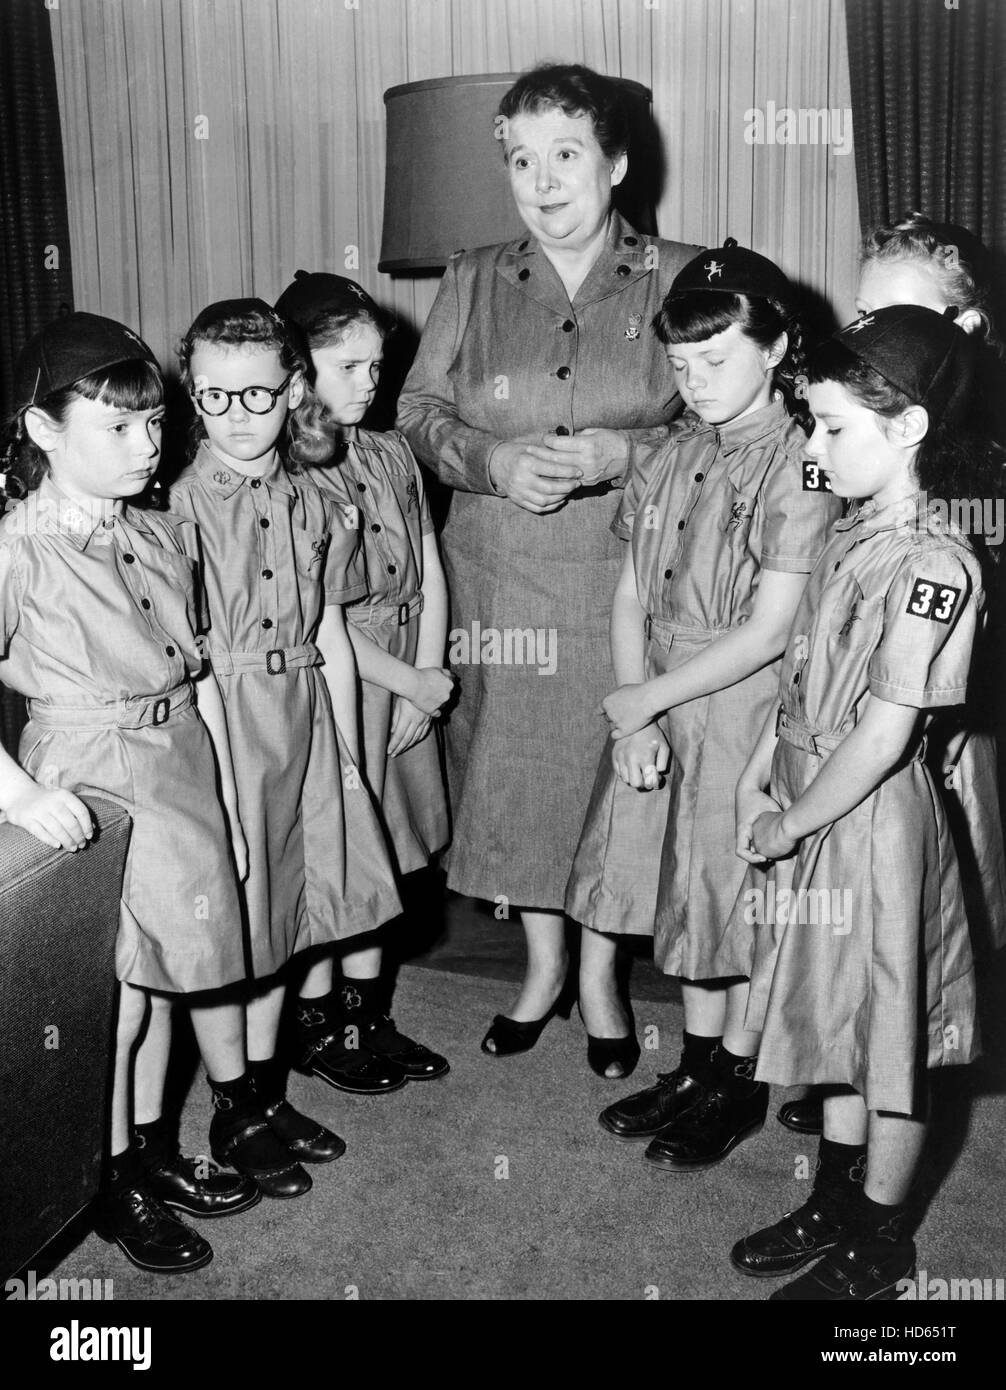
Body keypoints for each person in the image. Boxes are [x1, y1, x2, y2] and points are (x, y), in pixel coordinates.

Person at [397, 63, 700, 1053]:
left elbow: (736, 428)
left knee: (616, 774)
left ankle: (605, 976)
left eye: (565, 153)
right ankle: (541, 970)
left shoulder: (682, 272)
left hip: (627, 575)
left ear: (614, 162)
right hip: (501, 572)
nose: (542, 179)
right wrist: (488, 458)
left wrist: (628, 453)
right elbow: (416, 413)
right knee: (517, 780)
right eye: (521, 159)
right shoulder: (473, 274)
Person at [729, 304, 1000, 1300]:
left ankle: (880, 1238)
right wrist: (763, 765)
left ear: (909, 430)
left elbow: (884, 735)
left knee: (890, 1036)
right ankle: (836, 1200)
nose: (814, 445)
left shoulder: (935, 567)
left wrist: (789, 820)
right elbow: (804, 675)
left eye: (833, 427)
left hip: (873, 820)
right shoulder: (850, 531)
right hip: (809, 788)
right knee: (832, 1016)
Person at [0, 312, 275, 1274]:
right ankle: (106, 1176)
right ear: (42, 432)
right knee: (115, 1000)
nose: (146, 445)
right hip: (94, 771)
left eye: (154, 423)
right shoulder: (17, 549)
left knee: (164, 982)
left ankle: (151, 1150)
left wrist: (231, 810)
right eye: (115, 427)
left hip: (181, 760)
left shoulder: (156, 533)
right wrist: (18, 792)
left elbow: (196, 681)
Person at [571, 244, 839, 1128]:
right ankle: (695, 1067)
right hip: (654, 687)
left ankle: (737, 1082)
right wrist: (634, 712)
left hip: (740, 700)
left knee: (726, 894)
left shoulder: (804, 464)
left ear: (775, 349)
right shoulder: (664, 455)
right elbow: (629, 595)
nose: (694, 381)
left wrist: (645, 701)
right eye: (680, 364)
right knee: (678, 893)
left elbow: (770, 631)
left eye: (716, 360)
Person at [777, 212, 1006, 1139]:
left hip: (942, 732)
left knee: (925, 951)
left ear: (964, 330)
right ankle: (851, 1096)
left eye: (894, 314)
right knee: (851, 961)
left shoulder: (972, 465)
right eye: (862, 309)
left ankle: (896, 1101)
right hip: (864, 722)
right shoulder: (862, 456)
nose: (866, 330)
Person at [170, 299, 403, 1165]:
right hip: (224, 722)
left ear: (292, 388)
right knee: (235, 925)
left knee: (292, 920)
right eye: (213, 397)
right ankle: (231, 1110)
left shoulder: (313, 495)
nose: (237, 417)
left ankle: (266, 1095)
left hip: (303, 708)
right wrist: (224, 791)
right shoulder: (178, 508)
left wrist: (346, 755)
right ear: (191, 395)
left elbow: (331, 634)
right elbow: (188, 662)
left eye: (257, 396)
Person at [274, 271, 452, 1088]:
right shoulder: (289, 474)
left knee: (389, 856)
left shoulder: (388, 452)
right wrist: (407, 684)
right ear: (298, 372)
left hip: (407, 665)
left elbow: (432, 564)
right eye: (350, 367)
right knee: (341, 854)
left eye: (377, 366)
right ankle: (316, 1029)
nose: (371, 382)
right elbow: (324, 621)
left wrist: (430, 669)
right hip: (345, 676)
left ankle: (366, 1017)